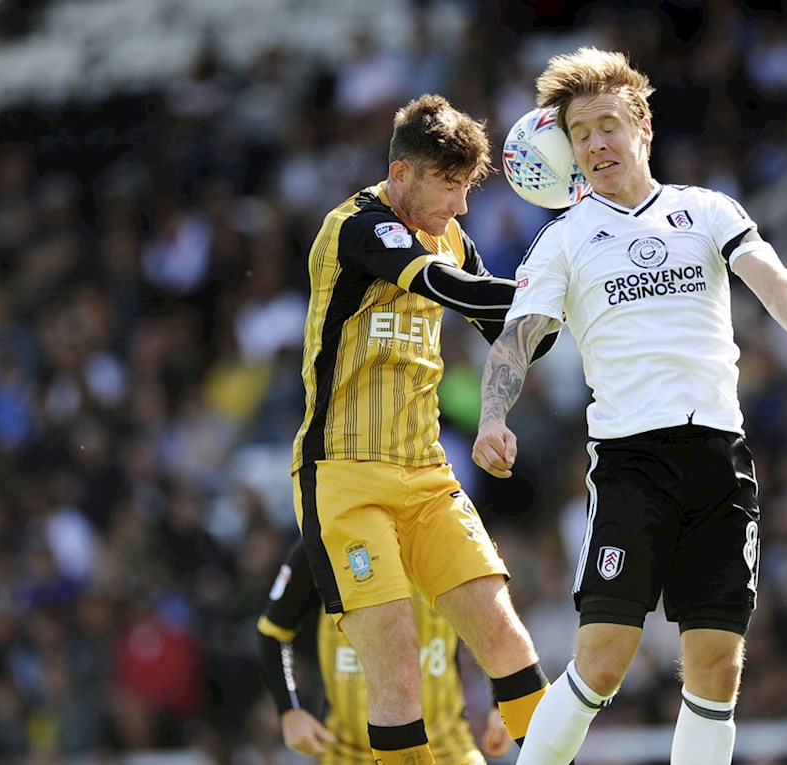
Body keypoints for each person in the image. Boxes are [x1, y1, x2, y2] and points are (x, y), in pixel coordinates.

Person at [472, 47, 787, 765]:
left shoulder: (705, 210)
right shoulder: (564, 240)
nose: (595, 144)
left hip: (719, 460)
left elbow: (767, 270)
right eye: (579, 133)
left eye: (607, 126)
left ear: (641, 125)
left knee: (717, 667)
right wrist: (495, 414)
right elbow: (516, 339)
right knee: (604, 661)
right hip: (631, 465)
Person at [292, 93, 557, 764]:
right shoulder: (356, 227)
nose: (461, 207)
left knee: (506, 640)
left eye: (467, 189)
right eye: (449, 186)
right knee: (400, 668)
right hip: (347, 479)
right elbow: (450, 288)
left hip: (427, 476)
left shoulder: (448, 230)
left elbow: (512, 332)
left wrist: (568, 310)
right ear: (403, 174)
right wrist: (557, 293)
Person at [256, 538, 512, 764]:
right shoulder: (322, 539)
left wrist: (502, 705)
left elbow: (492, 625)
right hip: (348, 755)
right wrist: (290, 712)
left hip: (446, 751)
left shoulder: (450, 533)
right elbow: (273, 631)